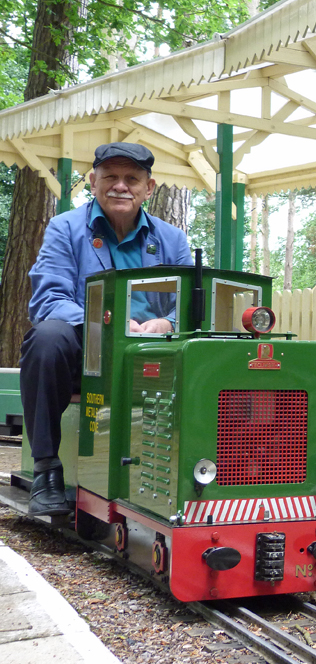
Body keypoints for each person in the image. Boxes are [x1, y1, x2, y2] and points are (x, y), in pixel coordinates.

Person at [21, 142, 193, 516]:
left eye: (132, 178)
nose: (120, 186)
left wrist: (168, 322)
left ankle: (196, 475)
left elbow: (192, 307)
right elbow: (49, 298)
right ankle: (46, 469)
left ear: (149, 188)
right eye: (111, 177)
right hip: (89, 355)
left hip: (154, 358)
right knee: (47, 337)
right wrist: (106, 326)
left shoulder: (172, 240)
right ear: (92, 181)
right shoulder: (64, 228)